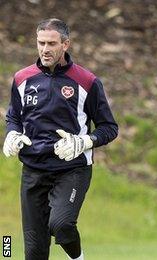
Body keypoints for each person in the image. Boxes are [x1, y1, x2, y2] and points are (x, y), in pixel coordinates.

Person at [3, 18, 118, 260]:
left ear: (65, 44)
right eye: (40, 43)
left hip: (72, 169)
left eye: (51, 43)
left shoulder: (87, 82)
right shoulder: (23, 79)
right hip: (33, 171)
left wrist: (85, 141)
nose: (45, 49)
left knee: (62, 225)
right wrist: (12, 133)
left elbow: (109, 127)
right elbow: (14, 117)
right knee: (34, 252)